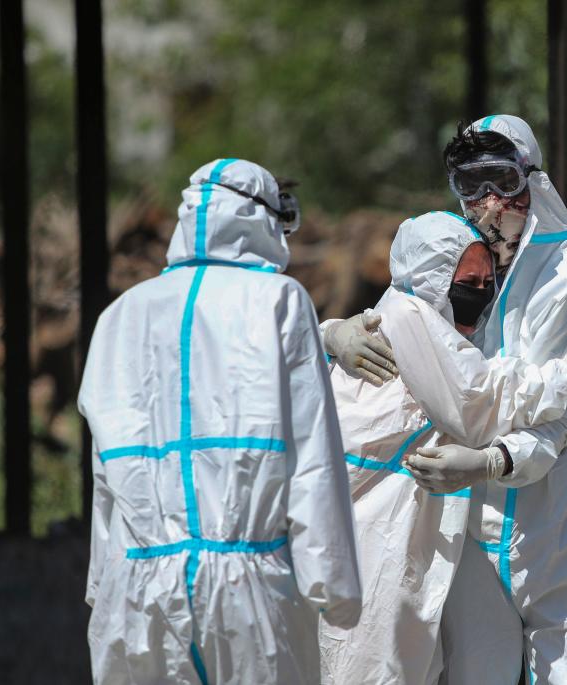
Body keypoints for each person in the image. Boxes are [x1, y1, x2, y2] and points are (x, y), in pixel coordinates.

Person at [78, 159, 361, 685]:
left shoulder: (119, 315)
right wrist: (335, 586)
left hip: (136, 590)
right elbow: (312, 454)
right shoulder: (279, 300)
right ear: (263, 221)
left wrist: (102, 583)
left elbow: (103, 477)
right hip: (248, 592)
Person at [318, 211, 567, 684]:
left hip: (416, 522)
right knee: (374, 665)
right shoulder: (411, 317)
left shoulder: (429, 321)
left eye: (485, 281)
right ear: (432, 279)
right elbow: (481, 404)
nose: (478, 292)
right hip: (375, 529)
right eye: (465, 281)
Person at [405, 116, 567, 684]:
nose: (487, 203)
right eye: (470, 185)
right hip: (467, 527)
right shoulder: (458, 266)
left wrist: (492, 459)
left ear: (531, 180)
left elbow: (543, 412)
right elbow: (401, 325)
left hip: (564, 518)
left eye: (500, 181)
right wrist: (334, 333)